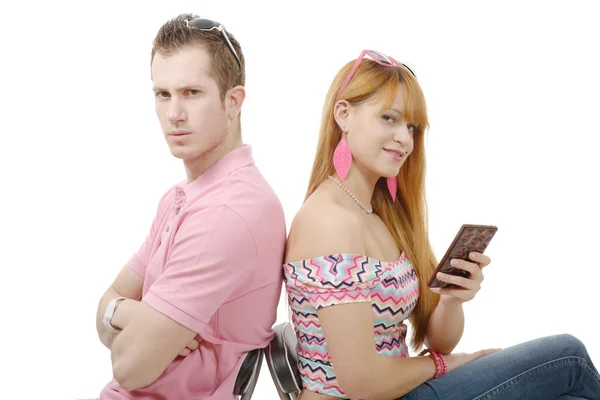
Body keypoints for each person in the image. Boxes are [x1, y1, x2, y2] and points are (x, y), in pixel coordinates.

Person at [283, 49, 600, 400]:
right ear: (343, 114)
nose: (405, 138)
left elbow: (439, 340)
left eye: (412, 126)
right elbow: (363, 382)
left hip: (403, 391)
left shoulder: (380, 214)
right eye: (389, 118)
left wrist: (450, 301)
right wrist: (447, 364)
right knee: (569, 357)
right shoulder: (329, 221)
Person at [95, 13, 286, 400]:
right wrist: (127, 313)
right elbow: (106, 306)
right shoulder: (183, 197)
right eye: (162, 94)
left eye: (192, 93)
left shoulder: (227, 213)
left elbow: (129, 367)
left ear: (233, 102)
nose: (173, 114)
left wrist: (125, 319)